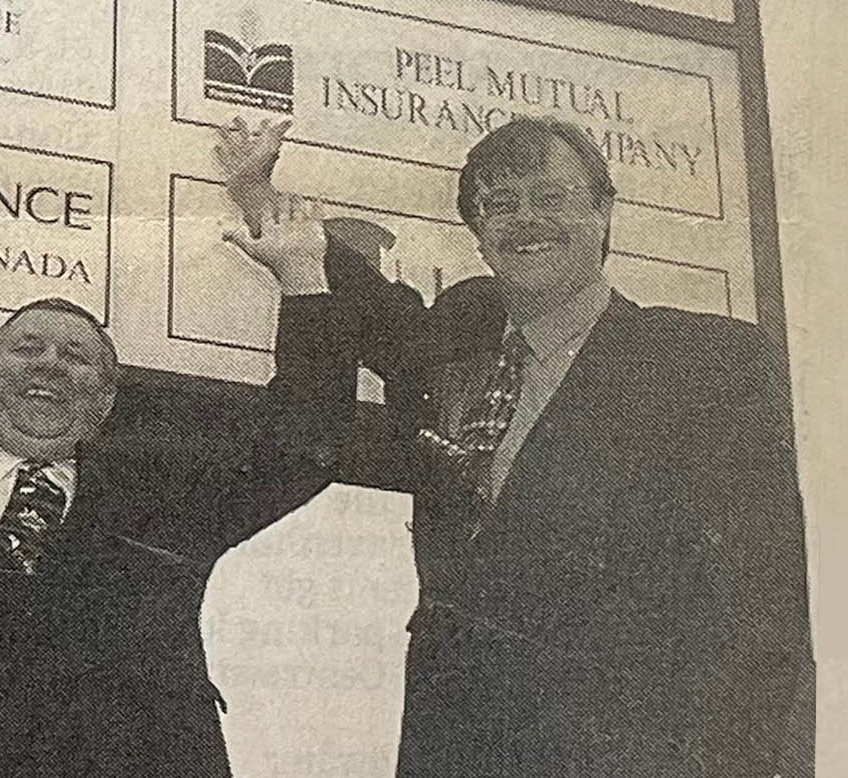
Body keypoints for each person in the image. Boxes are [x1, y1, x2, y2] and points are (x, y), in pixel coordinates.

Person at [222, 115, 814, 777]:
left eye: (552, 198)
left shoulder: (702, 360)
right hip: (453, 741)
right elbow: (353, 288)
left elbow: (764, 594)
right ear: (477, 235)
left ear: (603, 211)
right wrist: (254, 193)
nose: (524, 220)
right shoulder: (456, 336)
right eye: (498, 205)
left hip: (628, 749)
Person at [0, 270, 419, 776]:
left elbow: (303, 446)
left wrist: (302, 274)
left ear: (107, 399)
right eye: (27, 347)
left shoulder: (163, 499)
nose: (51, 364)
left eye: (76, 356)